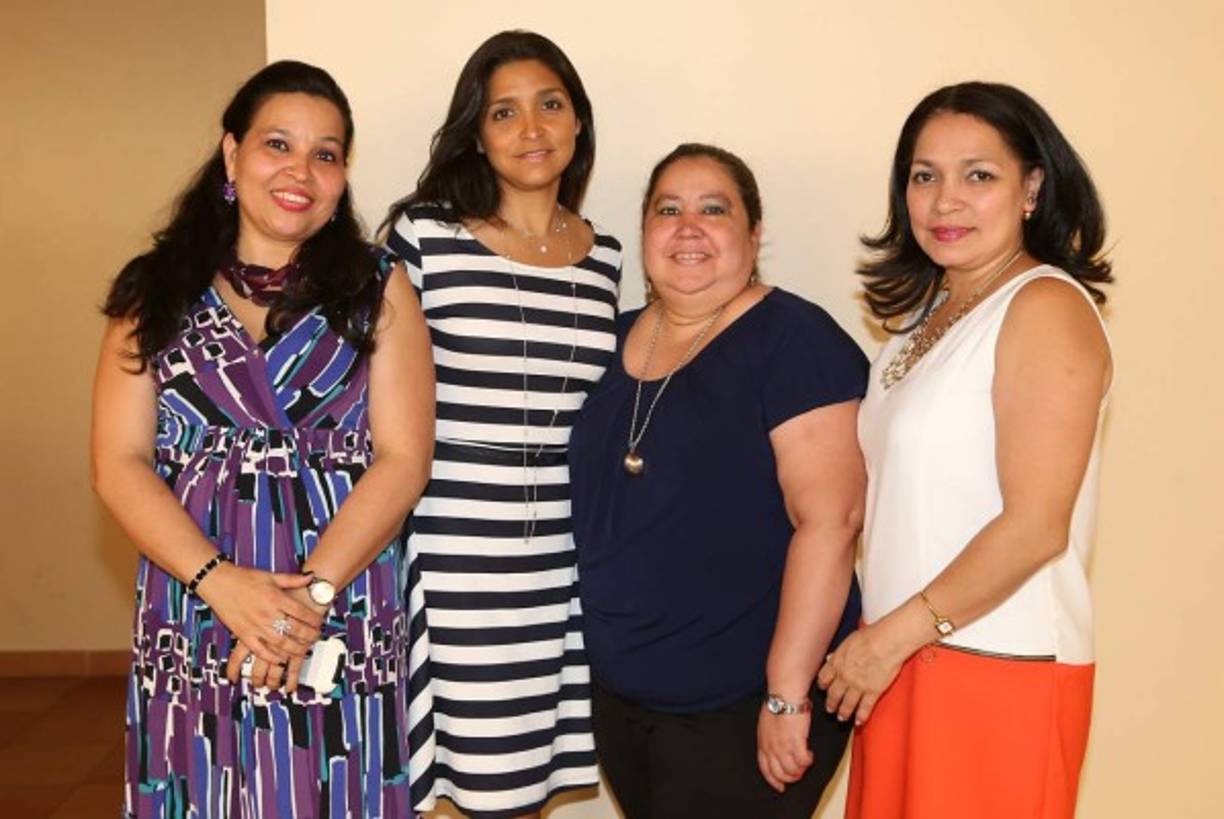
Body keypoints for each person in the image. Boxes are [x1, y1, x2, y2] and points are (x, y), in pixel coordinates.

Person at [92, 61, 435, 818]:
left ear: (344, 174)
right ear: (231, 153)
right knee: (205, 784)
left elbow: (405, 458)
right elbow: (119, 462)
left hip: (338, 596)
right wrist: (221, 583)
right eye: (277, 144)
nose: (300, 172)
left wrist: (304, 602)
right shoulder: (153, 290)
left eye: (327, 153)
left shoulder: (381, 287)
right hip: (196, 601)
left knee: (332, 789)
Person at [817, 81, 1114, 819]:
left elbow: (1036, 524)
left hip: (998, 667)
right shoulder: (923, 323)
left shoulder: (1045, 306)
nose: (945, 200)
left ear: (1032, 188)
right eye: (926, 176)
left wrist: (889, 642)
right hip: (902, 654)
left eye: (978, 174)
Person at [568, 143, 867, 819]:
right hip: (628, 704)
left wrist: (786, 695)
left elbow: (833, 520)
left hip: (744, 706)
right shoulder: (610, 342)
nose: (688, 226)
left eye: (714, 209)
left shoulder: (792, 339)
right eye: (668, 209)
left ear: (753, 233)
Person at [382, 31, 621, 818]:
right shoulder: (425, 237)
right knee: (467, 781)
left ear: (578, 121)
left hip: (561, 547)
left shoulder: (608, 258)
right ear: (476, 133)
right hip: (456, 544)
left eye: (550, 105)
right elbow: (375, 395)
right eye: (503, 112)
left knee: (527, 784)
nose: (531, 129)